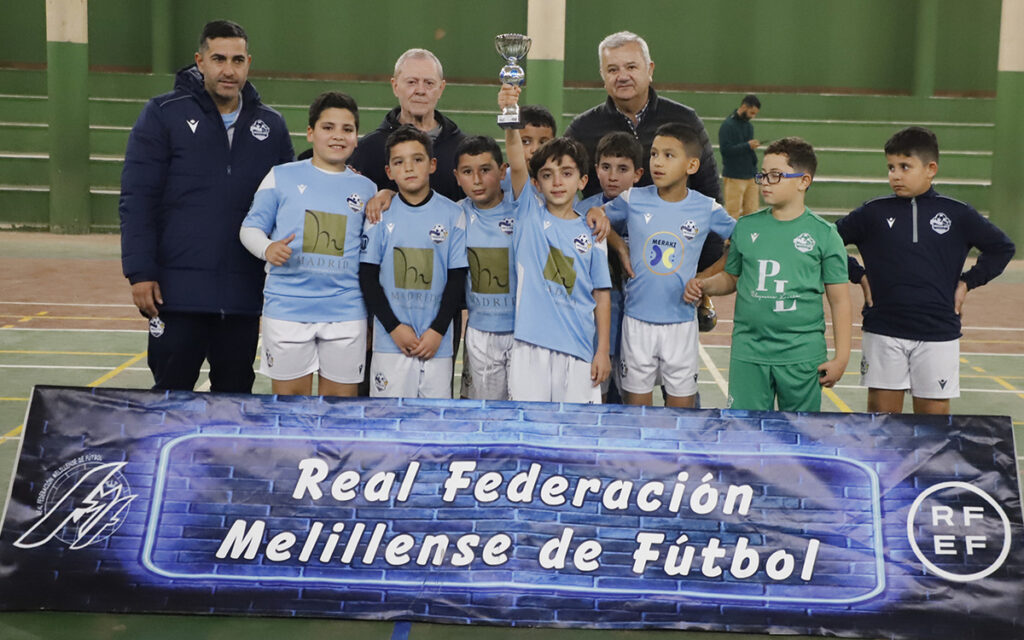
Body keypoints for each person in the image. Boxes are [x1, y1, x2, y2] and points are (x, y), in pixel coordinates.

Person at [119, 20, 293, 392]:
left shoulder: (271, 126)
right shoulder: (163, 114)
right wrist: (140, 272)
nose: (228, 70)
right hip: (176, 293)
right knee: (169, 396)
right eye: (218, 59)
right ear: (200, 61)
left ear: (249, 62)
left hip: (243, 295)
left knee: (235, 399)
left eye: (237, 59)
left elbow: (290, 200)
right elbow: (137, 199)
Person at [836, 126, 1015, 415]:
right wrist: (858, 275)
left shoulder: (957, 213)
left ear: (931, 169)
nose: (895, 174)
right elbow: (827, 244)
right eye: (891, 167)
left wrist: (967, 283)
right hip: (884, 330)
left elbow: (1002, 248)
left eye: (905, 167)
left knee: (933, 432)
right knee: (882, 426)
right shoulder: (873, 212)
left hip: (938, 332)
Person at [685, 137, 851, 412]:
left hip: (802, 356)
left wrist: (842, 357)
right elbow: (733, 277)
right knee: (746, 433)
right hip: (749, 353)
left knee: (798, 438)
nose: (764, 182)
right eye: (762, 175)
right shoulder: (746, 227)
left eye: (775, 175)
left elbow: (840, 300)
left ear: (803, 181)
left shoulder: (825, 234)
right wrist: (706, 285)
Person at [239, 92, 376, 397]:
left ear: (356, 138)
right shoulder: (280, 176)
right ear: (311, 133)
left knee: (339, 414)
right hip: (287, 309)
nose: (338, 136)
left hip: (346, 312)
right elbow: (250, 229)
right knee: (291, 409)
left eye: (347, 129)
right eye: (328, 127)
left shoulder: (367, 188)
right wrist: (267, 248)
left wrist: (386, 195)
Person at [600, 124, 736, 408]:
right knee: (637, 413)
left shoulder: (706, 207)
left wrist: (703, 279)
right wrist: (620, 247)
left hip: (681, 324)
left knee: (681, 415)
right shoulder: (632, 199)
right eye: (653, 154)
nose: (657, 162)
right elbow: (596, 218)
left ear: (692, 165)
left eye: (668, 155)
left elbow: (740, 243)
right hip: (637, 321)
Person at [500, 85, 612, 403]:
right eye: (548, 175)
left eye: (566, 173)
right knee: (528, 431)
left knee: (575, 439)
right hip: (529, 347)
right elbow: (517, 161)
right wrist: (510, 117)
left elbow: (601, 296)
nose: (558, 182)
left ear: (582, 180)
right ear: (536, 184)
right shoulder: (528, 213)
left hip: (579, 350)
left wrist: (601, 351)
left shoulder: (593, 232)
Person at [359, 125, 468, 398]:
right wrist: (394, 328)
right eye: (399, 162)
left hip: (437, 344)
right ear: (389, 172)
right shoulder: (379, 215)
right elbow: (367, 278)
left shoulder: (453, 215)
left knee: (433, 425)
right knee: (387, 422)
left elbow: (456, 280)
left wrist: (437, 331)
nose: (408, 168)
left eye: (417, 160)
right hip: (390, 343)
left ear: (432, 165)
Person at [564, 31, 720, 202]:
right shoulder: (582, 128)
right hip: (603, 228)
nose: (622, 77)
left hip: (671, 228)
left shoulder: (685, 119)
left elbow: (709, 190)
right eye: (612, 69)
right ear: (603, 75)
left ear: (649, 70)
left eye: (631, 67)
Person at [575, 132, 644, 403]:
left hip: (640, 328)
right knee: (597, 402)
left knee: (633, 401)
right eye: (606, 167)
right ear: (595, 170)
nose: (613, 176)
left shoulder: (649, 210)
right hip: (597, 330)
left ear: (638, 174)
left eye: (622, 169)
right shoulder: (582, 212)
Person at [349, 48, 466, 202]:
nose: (420, 90)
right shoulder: (367, 150)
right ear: (395, 86)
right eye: (412, 82)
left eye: (429, 83)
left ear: (441, 88)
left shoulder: (463, 150)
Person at [454, 136, 517, 400]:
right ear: (457, 177)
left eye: (485, 170)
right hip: (481, 333)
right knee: (486, 415)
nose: (477, 180)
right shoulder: (454, 216)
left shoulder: (524, 212)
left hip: (525, 331)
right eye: (468, 172)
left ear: (503, 172)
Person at [719, 94, 761, 218]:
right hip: (734, 176)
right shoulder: (727, 125)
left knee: (753, 213)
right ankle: (731, 238)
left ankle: (750, 238)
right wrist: (747, 146)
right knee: (733, 213)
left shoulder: (749, 126)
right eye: (751, 112)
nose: (753, 116)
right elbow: (725, 150)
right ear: (744, 107)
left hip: (750, 176)